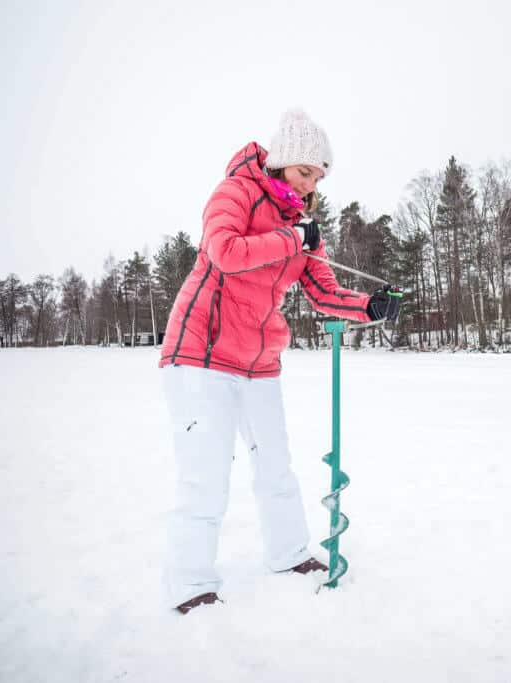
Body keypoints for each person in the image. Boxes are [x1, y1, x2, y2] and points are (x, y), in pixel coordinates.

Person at [158, 109, 399, 614]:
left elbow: (324, 293)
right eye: (305, 171)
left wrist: (370, 307)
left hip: (260, 361)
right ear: (283, 160)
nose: (311, 184)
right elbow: (224, 252)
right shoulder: (236, 192)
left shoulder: (303, 226)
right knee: (205, 474)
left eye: (319, 177)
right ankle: (189, 584)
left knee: (276, 467)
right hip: (201, 352)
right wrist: (294, 239)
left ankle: (289, 554)